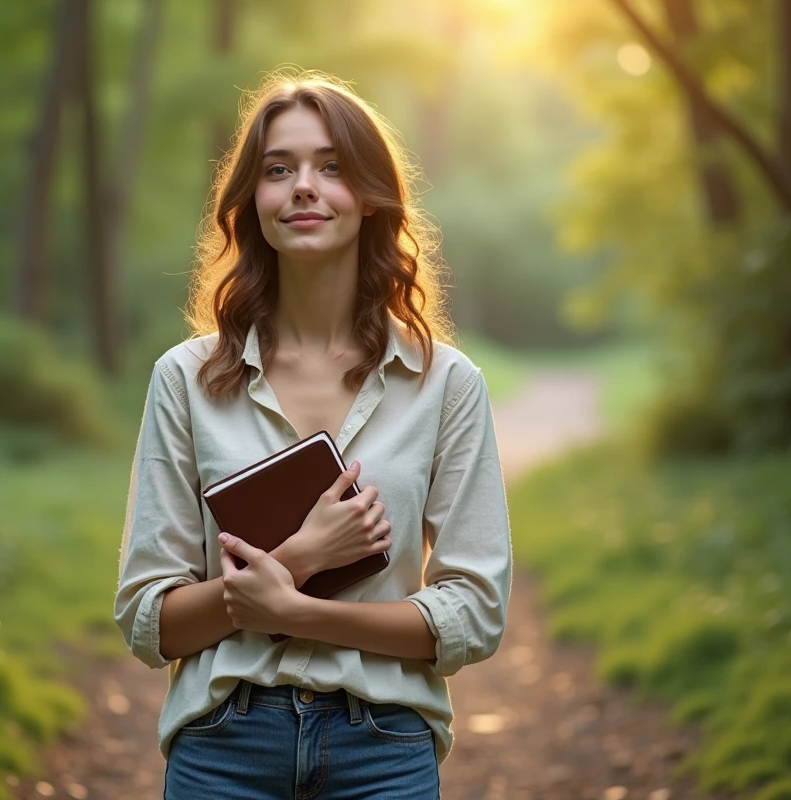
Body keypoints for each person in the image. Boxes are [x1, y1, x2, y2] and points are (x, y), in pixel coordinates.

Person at [115, 70, 512, 799]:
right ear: (252, 204)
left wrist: (296, 612)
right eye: (278, 169)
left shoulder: (446, 384)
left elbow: (474, 613)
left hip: (385, 749)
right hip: (222, 746)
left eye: (330, 166)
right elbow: (152, 621)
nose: (303, 186)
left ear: (368, 198)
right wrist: (298, 557)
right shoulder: (186, 378)